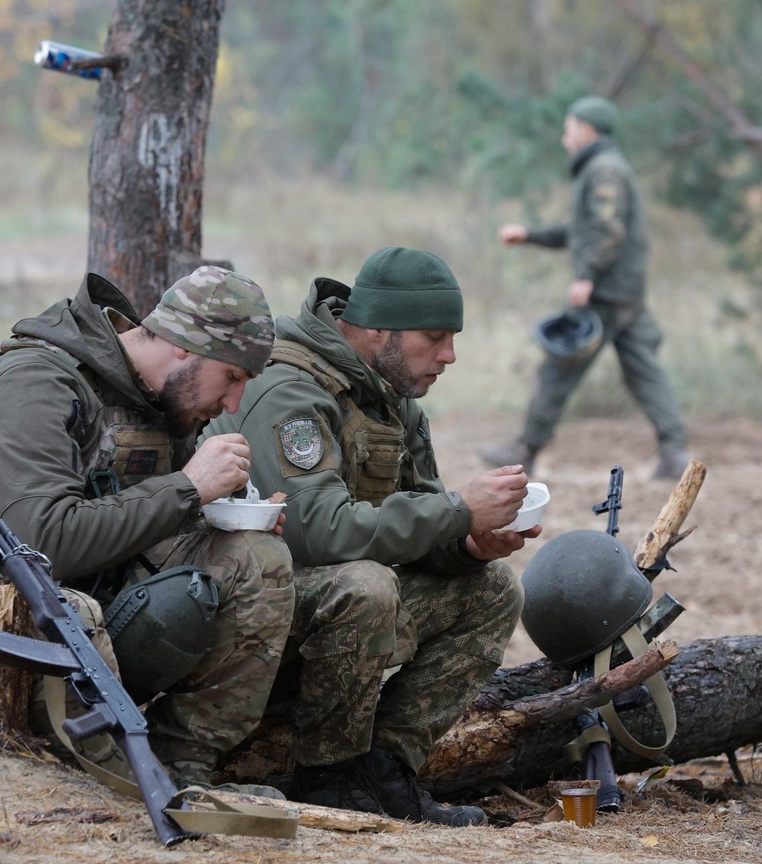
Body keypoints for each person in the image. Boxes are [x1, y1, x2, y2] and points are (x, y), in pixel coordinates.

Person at [0, 267, 294, 791]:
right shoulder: (32, 383)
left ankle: (182, 769)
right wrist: (188, 487)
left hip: (92, 601)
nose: (233, 404)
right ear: (183, 346)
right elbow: (47, 541)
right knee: (78, 608)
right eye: (232, 377)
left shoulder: (156, 398)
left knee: (256, 560)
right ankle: (103, 771)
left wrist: (227, 518)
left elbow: (137, 512)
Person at [204, 246, 540, 827]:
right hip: (245, 617)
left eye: (452, 338)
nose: (449, 355)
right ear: (376, 328)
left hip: (321, 607)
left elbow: (421, 516)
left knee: (492, 589)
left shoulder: (391, 396)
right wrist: (459, 512)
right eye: (434, 337)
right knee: (366, 585)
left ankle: (384, 771)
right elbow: (317, 532)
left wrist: (466, 544)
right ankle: (328, 778)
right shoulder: (289, 388)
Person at [478, 95, 690, 480]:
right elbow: (580, 230)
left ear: (588, 129)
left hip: (602, 295)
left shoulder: (604, 170)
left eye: (569, 128)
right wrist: (529, 235)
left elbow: (608, 230)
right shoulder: (604, 167)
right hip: (624, 292)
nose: (565, 137)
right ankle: (674, 452)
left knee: (559, 368)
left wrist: (586, 276)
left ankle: (526, 449)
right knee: (644, 370)